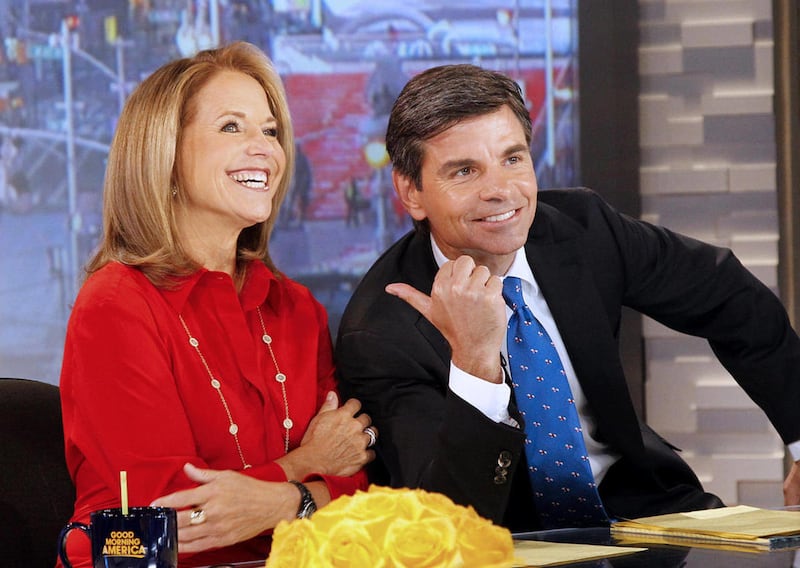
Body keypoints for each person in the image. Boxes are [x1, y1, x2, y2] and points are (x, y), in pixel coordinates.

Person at [335, 63, 800, 533]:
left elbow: (728, 296)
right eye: (465, 171)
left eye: (513, 159)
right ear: (411, 191)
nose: (500, 191)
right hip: (511, 540)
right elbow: (446, 523)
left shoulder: (583, 227)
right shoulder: (379, 332)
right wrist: (475, 362)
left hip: (647, 506)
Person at [59, 42, 375, 567]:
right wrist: (305, 467)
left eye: (270, 131)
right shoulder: (115, 305)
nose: (265, 149)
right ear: (165, 155)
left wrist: (281, 499)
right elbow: (173, 515)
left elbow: (359, 485)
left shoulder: (297, 308)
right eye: (232, 127)